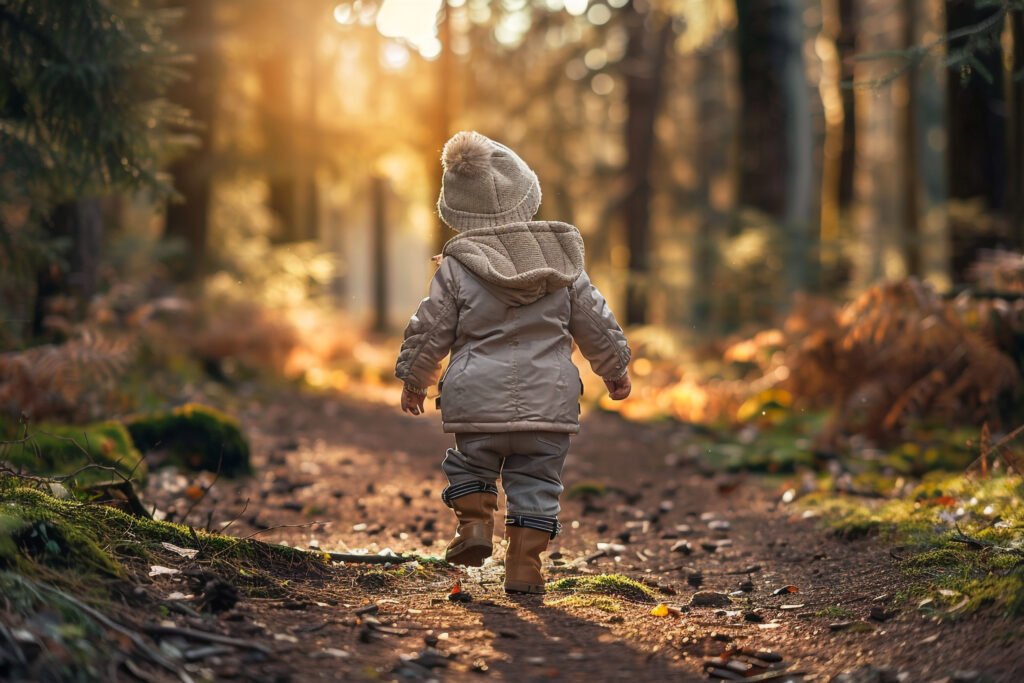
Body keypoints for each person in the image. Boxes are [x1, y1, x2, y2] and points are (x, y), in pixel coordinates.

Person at [395, 131, 631, 594]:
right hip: (549, 406)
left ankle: (475, 527)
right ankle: (524, 568)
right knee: (538, 484)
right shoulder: (565, 264)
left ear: (455, 209)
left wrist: (414, 378)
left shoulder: (457, 266)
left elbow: (431, 326)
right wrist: (615, 368)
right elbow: (596, 323)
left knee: (469, 466)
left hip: (476, 403)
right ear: (529, 193)